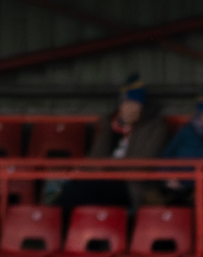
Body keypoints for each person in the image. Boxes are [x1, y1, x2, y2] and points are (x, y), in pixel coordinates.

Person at [62, 74, 167, 210]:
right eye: (126, 103)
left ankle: (52, 221)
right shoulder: (110, 125)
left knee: (86, 190)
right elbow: (94, 159)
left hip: (131, 186)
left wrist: (107, 169)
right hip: (102, 181)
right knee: (73, 188)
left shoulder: (156, 127)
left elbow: (142, 165)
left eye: (134, 104)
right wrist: (109, 131)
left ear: (143, 107)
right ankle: (51, 222)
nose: (129, 108)